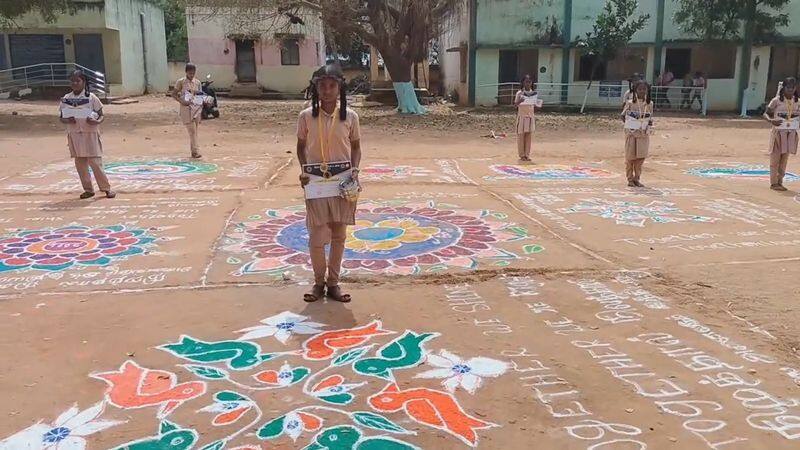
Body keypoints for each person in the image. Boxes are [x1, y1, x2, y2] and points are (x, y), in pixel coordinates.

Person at [297, 64, 362, 303]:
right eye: (322, 86)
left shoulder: (351, 117)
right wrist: (304, 170)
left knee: (339, 234)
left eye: (332, 85)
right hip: (315, 183)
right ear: (316, 88)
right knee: (317, 235)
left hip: (342, 183)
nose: (327, 90)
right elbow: (300, 146)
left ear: (339, 88)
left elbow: (355, 147)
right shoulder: (305, 116)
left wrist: (354, 170)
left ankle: (333, 283)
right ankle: (318, 282)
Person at [59, 70, 115, 199]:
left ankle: (106, 188)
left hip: (90, 133)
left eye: (77, 81)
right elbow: (62, 117)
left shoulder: (91, 98)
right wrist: (68, 120)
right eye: (72, 81)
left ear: (83, 82)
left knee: (95, 163)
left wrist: (96, 121)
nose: (75, 83)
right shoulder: (66, 98)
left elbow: (101, 115)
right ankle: (88, 190)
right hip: (75, 134)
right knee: (80, 164)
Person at [763, 77, 799, 191]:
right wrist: (771, 120)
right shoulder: (776, 101)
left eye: (793, 88)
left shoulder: (797, 101)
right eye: (788, 87)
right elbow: (766, 113)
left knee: (784, 159)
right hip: (778, 133)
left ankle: (780, 181)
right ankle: (773, 183)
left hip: (790, 133)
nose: (790, 90)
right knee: (775, 158)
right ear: (783, 88)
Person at [621, 79, 653, 188]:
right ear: (635, 90)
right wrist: (630, 122)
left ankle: (637, 178)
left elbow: (649, 117)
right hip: (631, 134)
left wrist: (649, 122)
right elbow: (623, 115)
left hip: (643, 134)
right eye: (640, 89)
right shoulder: (630, 103)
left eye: (644, 89)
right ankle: (630, 179)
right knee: (630, 158)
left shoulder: (649, 104)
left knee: (641, 157)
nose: (642, 91)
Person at [172, 63, 203, 158]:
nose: (191, 75)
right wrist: (182, 101)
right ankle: (195, 151)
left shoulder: (197, 82)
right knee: (192, 131)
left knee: (194, 131)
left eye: (193, 73)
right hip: (185, 109)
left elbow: (200, 95)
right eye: (190, 73)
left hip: (196, 109)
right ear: (186, 72)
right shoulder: (181, 82)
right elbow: (174, 94)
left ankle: (193, 151)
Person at [514, 74, 539, 162]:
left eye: (529, 82)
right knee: (521, 136)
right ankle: (522, 155)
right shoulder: (519, 93)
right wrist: (520, 100)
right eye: (526, 82)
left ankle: (527, 154)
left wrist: (537, 104)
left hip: (530, 116)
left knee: (528, 137)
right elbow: (515, 104)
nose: (528, 84)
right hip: (522, 117)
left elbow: (534, 104)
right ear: (523, 83)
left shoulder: (534, 93)